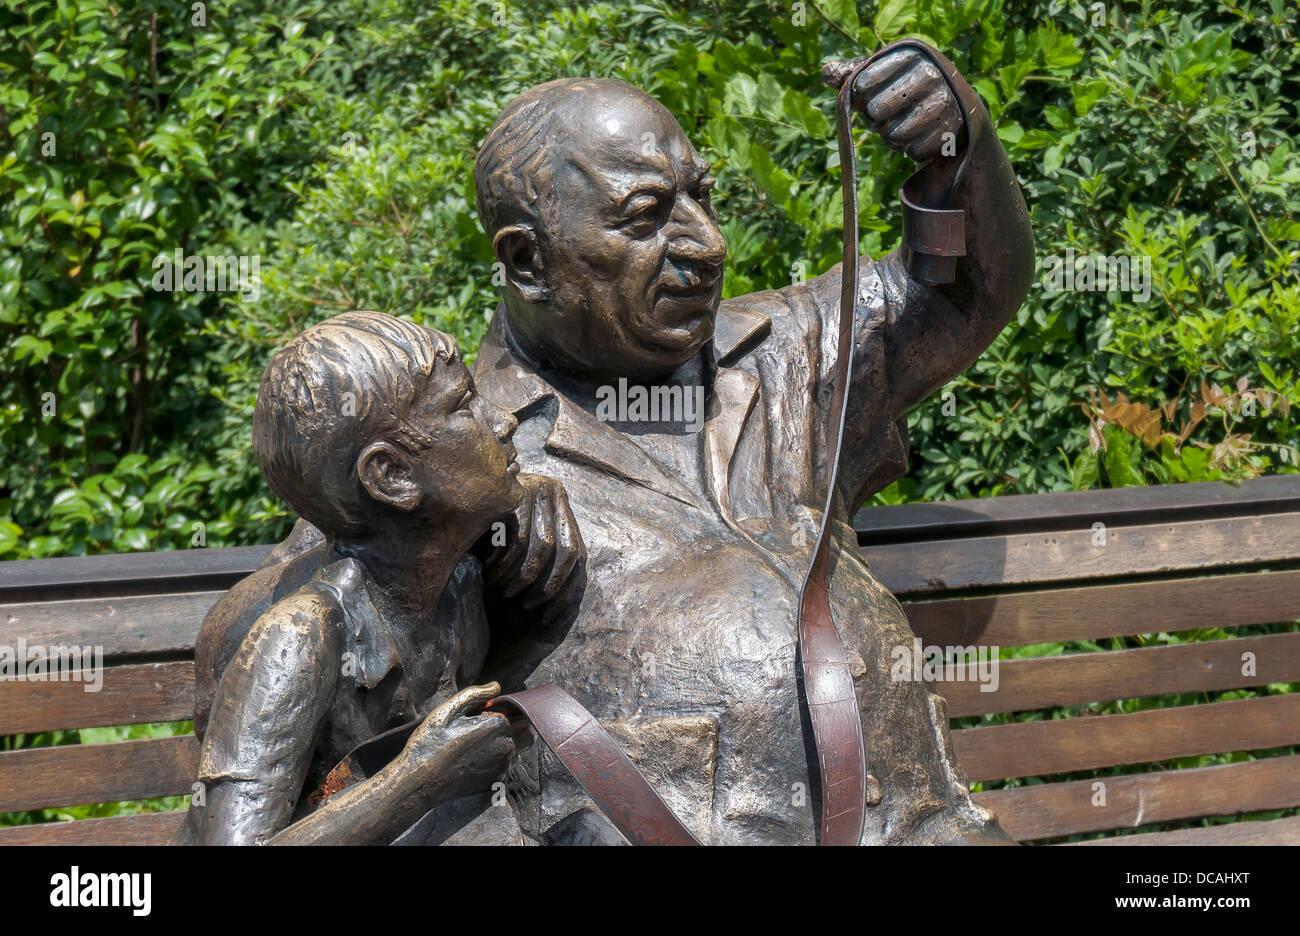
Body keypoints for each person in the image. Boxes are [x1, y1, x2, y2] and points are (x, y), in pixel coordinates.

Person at [464, 41, 1034, 844]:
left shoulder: (782, 347)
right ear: (527, 262)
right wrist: (481, 523)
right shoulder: (452, 447)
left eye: (701, 196)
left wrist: (957, 150)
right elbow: (304, 635)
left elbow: (963, 297)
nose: (707, 245)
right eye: (646, 217)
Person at [176, 311, 571, 845]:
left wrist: (525, 501)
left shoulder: (458, 584)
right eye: (464, 406)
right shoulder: (299, 639)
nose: (503, 421)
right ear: (392, 476)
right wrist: (420, 779)